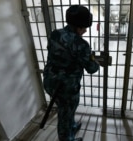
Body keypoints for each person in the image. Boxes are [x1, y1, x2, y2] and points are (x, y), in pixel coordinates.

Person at [42, 5, 100, 141]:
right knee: (65, 113)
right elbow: (92, 69)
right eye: (84, 27)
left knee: (66, 109)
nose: (85, 31)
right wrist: (95, 61)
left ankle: (71, 126)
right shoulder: (81, 44)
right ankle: (66, 138)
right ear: (79, 26)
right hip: (66, 87)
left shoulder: (55, 34)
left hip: (50, 81)